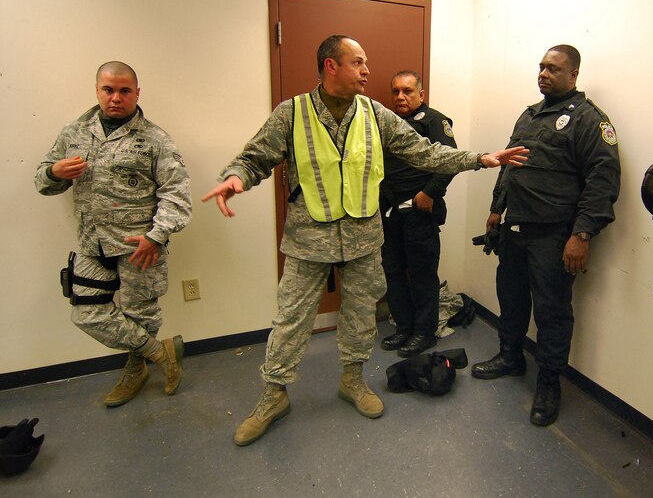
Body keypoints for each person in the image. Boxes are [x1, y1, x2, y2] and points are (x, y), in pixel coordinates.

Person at [202, 35, 528, 446]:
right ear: (330, 66)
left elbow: (425, 152)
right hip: (308, 240)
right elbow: (254, 158)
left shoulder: (375, 114)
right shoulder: (292, 113)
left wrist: (479, 158)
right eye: (358, 62)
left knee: (359, 317)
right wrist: (236, 179)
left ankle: (352, 381)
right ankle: (273, 396)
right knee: (290, 321)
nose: (367, 70)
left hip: (361, 238)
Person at [471, 45, 621, 427]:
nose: (543, 74)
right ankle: (510, 355)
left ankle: (549, 383)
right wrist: (495, 208)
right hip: (515, 229)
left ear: (573, 75)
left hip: (554, 235)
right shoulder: (530, 114)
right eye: (540, 67)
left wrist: (582, 234)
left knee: (552, 312)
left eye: (553, 69)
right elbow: (509, 164)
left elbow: (602, 182)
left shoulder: (588, 120)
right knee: (512, 296)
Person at [35, 61, 191, 407]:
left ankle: (137, 368)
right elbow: (42, 181)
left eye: (124, 91)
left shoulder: (155, 139)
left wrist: (157, 235)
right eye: (108, 90)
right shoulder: (74, 132)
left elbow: (177, 196)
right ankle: (160, 353)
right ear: (97, 91)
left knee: (141, 315)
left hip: (140, 247)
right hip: (93, 243)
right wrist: (55, 171)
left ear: (137, 93)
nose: (116, 98)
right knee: (85, 313)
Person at [379, 70, 458, 357]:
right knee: (394, 272)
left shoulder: (435, 120)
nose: (401, 96)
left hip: (419, 212)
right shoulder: (388, 123)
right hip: (389, 213)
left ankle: (424, 333)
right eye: (396, 91)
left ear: (421, 94)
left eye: (408, 91)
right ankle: (404, 328)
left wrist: (430, 193)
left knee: (422, 275)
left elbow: (449, 161)